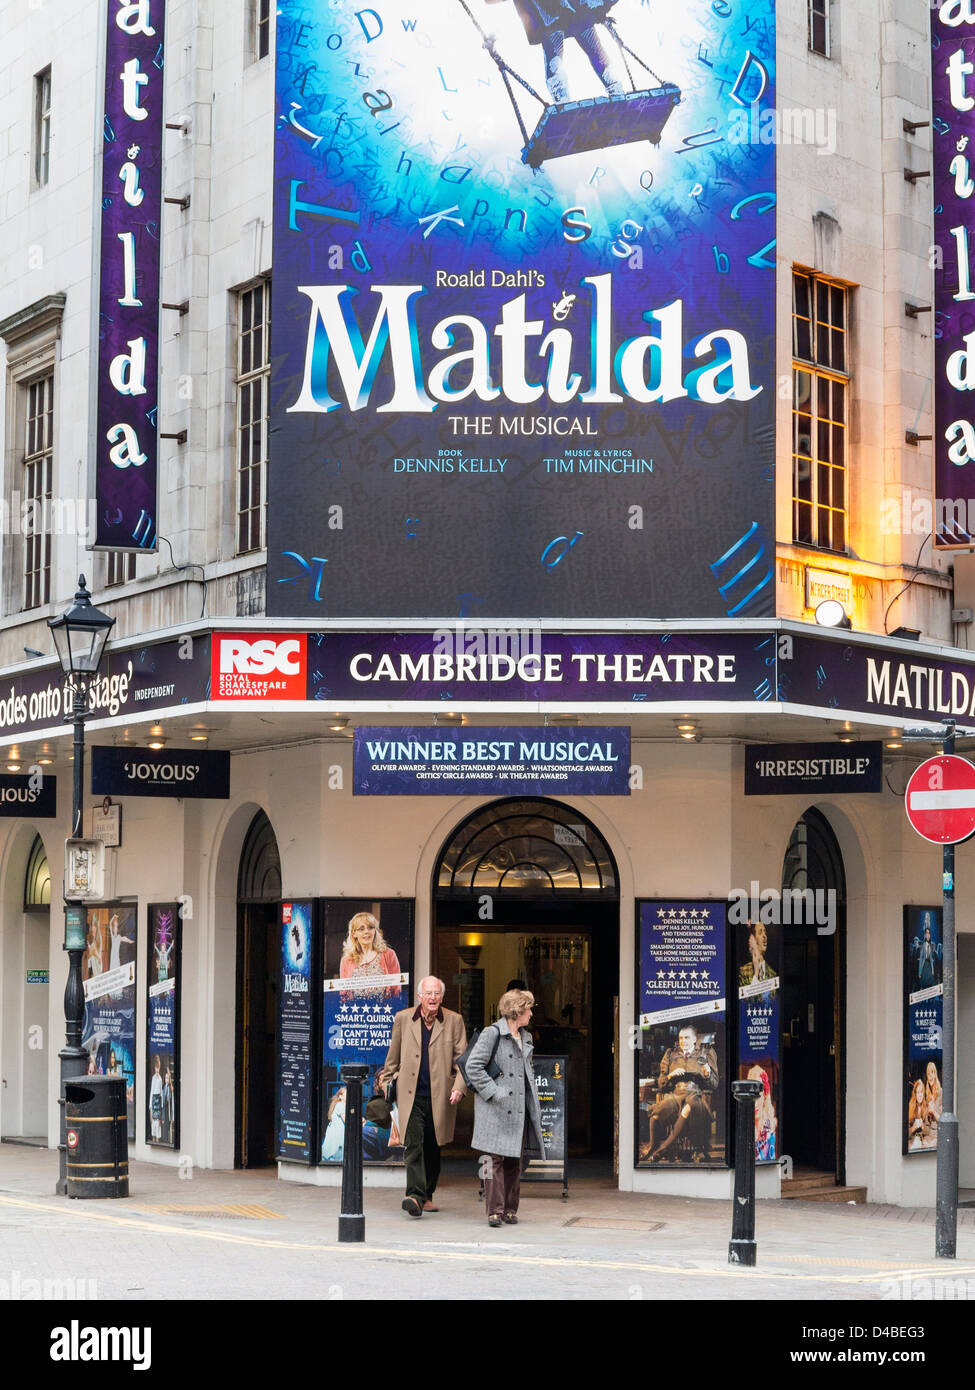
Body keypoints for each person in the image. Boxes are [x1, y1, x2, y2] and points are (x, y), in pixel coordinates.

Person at [380, 976, 467, 1217]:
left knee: (433, 1146)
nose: (433, 998)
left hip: (441, 1097)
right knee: (414, 1144)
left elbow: (462, 1060)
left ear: (442, 996)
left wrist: (459, 1086)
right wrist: (388, 1081)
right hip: (411, 1096)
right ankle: (415, 1196)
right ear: (420, 996)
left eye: (437, 993)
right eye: (428, 993)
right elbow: (393, 1055)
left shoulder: (454, 1020)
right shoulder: (403, 1018)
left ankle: (427, 1194)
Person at [466, 988, 545, 1228]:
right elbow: (473, 1067)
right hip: (494, 1109)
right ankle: (494, 1211)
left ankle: (510, 1209)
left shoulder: (526, 1036)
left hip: (518, 1108)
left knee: (513, 1162)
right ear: (517, 1010)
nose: (531, 1013)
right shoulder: (492, 1034)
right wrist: (494, 1092)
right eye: (528, 1008)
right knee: (492, 1161)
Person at [487, 0, 627, 105]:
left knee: (593, 52)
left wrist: (599, 12)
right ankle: (563, 99)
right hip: (558, 17)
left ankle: (614, 90)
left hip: (567, 15)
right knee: (586, 52)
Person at [646, 1022, 718, 1162]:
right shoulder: (671, 1054)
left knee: (688, 1108)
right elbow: (661, 1084)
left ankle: (662, 1149)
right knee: (656, 1114)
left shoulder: (706, 1053)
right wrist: (670, 1076)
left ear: (694, 1039)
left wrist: (707, 1074)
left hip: (696, 1095)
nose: (683, 1041)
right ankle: (653, 1147)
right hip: (675, 1094)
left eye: (686, 1038)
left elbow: (714, 1084)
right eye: (681, 1038)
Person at [339, 912, 401, 997]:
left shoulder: (389, 954)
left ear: (375, 931)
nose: (366, 932)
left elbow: (396, 989)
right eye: (361, 929)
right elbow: (344, 993)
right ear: (354, 933)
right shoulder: (346, 960)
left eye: (370, 928)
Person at [747, 1064, 777, 1161]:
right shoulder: (744, 1127)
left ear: (765, 1095)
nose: (755, 1102)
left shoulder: (770, 1131)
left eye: (758, 1095)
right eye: (752, 1095)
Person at [739, 922, 775, 987]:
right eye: (760, 933)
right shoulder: (743, 972)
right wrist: (756, 973)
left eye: (765, 933)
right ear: (753, 940)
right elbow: (748, 996)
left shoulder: (772, 973)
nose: (765, 936)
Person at [108, 913, 134, 999]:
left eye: (116, 927)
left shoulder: (118, 937)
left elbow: (124, 938)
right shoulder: (112, 936)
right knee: (112, 975)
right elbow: (109, 923)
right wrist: (114, 917)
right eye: (114, 927)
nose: (115, 928)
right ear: (112, 928)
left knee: (117, 975)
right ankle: (112, 993)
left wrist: (130, 941)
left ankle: (118, 993)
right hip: (113, 959)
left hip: (117, 960)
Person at [321, 1087, 347, 1161]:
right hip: (337, 1136)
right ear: (340, 1096)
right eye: (347, 1094)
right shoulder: (340, 1105)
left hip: (336, 1135)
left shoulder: (341, 1105)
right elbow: (346, 1120)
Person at [917, 921, 940, 989]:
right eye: (926, 933)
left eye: (929, 933)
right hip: (924, 966)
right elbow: (921, 959)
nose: (928, 935)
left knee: (931, 983)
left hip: (929, 966)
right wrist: (919, 972)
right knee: (923, 983)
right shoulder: (922, 945)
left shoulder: (930, 945)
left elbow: (931, 959)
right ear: (924, 935)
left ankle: (931, 998)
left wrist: (932, 970)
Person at [150, 1054, 163, 1141]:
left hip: (158, 1100)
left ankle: (158, 1137)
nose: (157, 1069)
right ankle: (153, 1136)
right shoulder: (153, 1078)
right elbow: (151, 1091)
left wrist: (161, 1105)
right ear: (154, 1068)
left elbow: (161, 1092)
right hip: (154, 1099)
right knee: (153, 1120)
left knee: (158, 1121)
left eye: (158, 1067)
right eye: (156, 1067)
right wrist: (150, 1105)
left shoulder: (160, 1079)